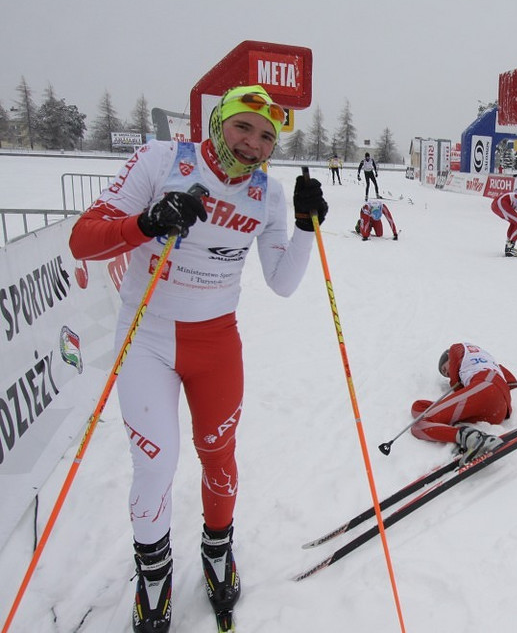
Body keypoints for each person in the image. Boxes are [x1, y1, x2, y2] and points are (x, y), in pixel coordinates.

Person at [68, 84, 328, 633]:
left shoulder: (267, 194)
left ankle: (217, 551)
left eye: (266, 136)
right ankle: (154, 575)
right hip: (148, 337)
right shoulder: (163, 161)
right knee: (157, 462)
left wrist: (306, 226)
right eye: (243, 127)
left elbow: (282, 283)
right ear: (218, 122)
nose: (253, 144)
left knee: (218, 454)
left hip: (216, 344)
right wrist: (147, 222)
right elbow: (82, 240)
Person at [410, 343, 517, 464]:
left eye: (445, 369)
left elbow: (455, 354)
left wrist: (456, 382)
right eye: (445, 374)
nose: (448, 374)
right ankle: (469, 438)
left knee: (418, 424)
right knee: (424, 408)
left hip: (484, 389)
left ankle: (471, 438)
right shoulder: (487, 361)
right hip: (499, 410)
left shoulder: (456, 349)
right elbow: (512, 381)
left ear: (448, 357)